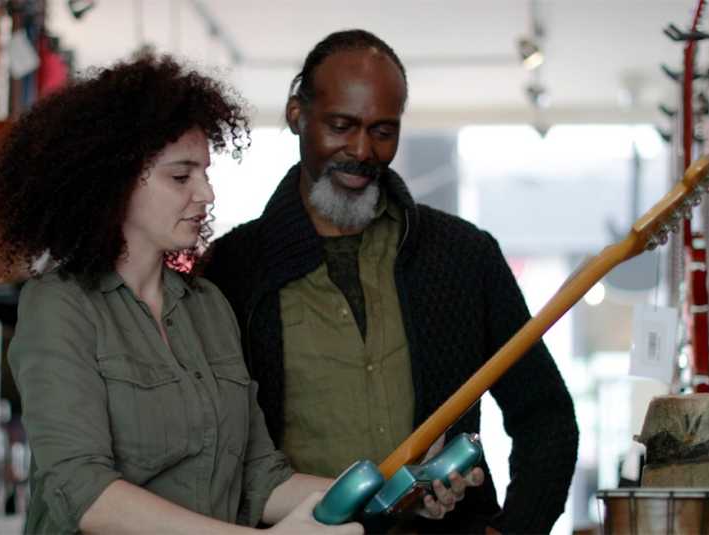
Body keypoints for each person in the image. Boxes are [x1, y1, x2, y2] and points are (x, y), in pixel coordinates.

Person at [0, 51, 457, 535]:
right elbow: (84, 494)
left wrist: (393, 493)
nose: (205, 194)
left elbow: (258, 479)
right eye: (181, 176)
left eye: (204, 173)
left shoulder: (207, 307)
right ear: (112, 184)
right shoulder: (60, 306)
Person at [201, 29, 579, 534]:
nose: (361, 150)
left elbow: (545, 414)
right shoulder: (232, 270)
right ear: (297, 115)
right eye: (341, 125)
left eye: (383, 131)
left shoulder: (463, 257)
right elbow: (214, 453)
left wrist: (514, 530)